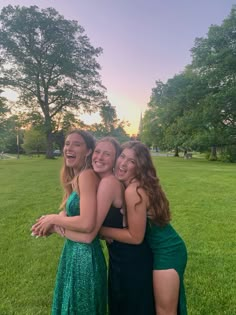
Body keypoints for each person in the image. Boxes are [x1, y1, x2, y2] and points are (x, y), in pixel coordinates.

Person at [100, 141, 188, 315]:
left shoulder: (134, 190)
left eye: (131, 161)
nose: (123, 163)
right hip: (159, 249)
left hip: (167, 251)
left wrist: (101, 231)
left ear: (139, 167)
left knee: (165, 311)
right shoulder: (136, 185)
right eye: (122, 156)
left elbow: (135, 237)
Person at [31, 129, 107, 315]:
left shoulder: (86, 176)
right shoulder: (76, 176)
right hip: (73, 252)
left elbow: (87, 223)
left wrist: (53, 220)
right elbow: (70, 212)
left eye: (77, 144)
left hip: (84, 258)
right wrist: (53, 222)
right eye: (67, 143)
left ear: (88, 151)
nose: (69, 148)